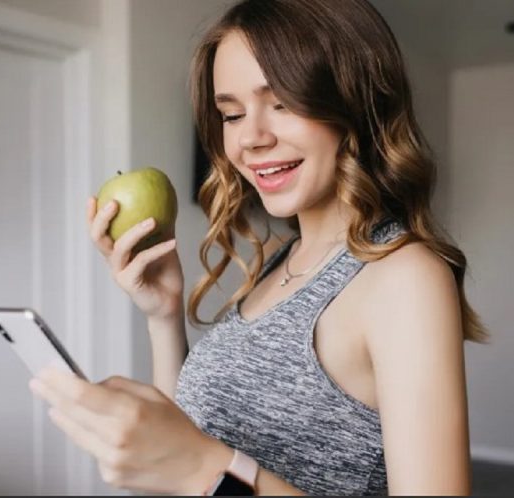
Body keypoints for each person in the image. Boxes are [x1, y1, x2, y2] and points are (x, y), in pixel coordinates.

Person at [29, 0, 490, 495]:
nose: (250, 138)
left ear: (355, 103)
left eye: (283, 103)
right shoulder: (281, 263)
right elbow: (189, 448)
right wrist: (162, 314)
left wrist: (204, 469)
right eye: (231, 113)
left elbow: (199, 469)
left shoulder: (402, 276)